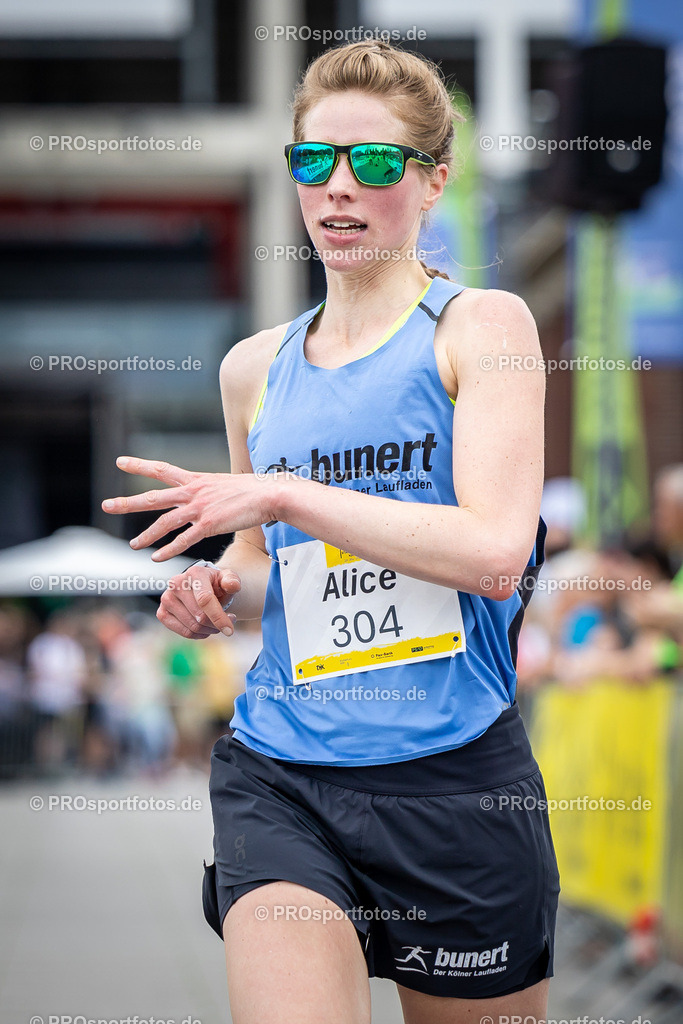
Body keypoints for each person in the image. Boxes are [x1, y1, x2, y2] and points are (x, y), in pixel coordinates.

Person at [103, 40, 559, 1024]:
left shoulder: (480, 328)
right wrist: (215, 591)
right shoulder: (251, 368)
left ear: (433, 180)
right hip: (285, 770)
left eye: (376, 162)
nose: (339, 186)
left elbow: (492, 555)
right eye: (314, 160)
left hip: (453, 780)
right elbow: (263, 569)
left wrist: (284, 496)